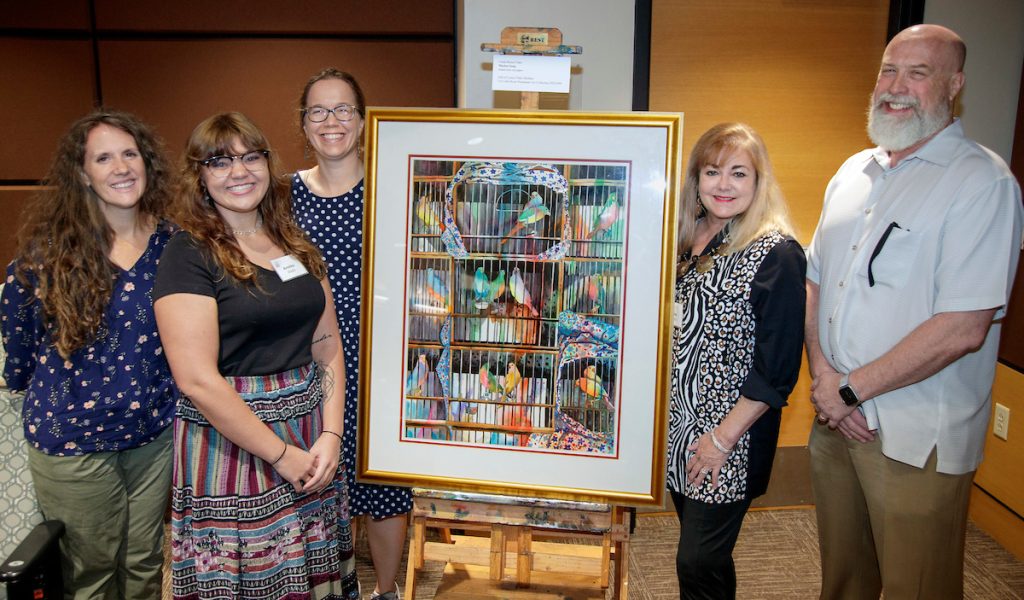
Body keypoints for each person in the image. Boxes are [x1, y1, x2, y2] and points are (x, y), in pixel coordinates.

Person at [806, 24, 1023, 599]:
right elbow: (815, 282)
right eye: (888, 70)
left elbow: (962, 327)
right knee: (843, 581)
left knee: (916, 587)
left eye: (918, 73)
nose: (895, 87)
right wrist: (827, 380)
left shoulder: (982, 183)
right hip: (836, 422)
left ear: (955, 85)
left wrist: (851, 388)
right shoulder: (853, 172)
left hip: (913, 439)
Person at [153, 112, 360, 599]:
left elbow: (327, 345)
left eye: (250, 157)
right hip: (236, 446)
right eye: (220, 161)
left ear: (268, 165)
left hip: (311, 434)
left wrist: (331, 435)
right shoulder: (187, 254)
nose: (239, 171)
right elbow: (197, 380)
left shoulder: (294, 243)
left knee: (310, 572)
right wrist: (280, 455)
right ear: (199, 177)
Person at [1, 110, 177, 599]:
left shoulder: (174, 245)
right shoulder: (48, 252)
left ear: (147, 162)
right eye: (103, 158)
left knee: (145, 561)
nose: (120, 167)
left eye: (129, 153)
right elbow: (18, 343)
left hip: (152, 433)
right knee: (91, 573)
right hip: (73, 438)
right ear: (82, 173)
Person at [668, 122, 806, 599]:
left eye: (738, 173)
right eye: (712, 172)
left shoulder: (777, 253)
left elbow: (778, 368)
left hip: (730, 436)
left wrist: (720, 441)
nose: (723, 185)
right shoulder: (685, 241)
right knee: (706, 558)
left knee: (697, 559)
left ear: (758, 181)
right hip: (677, 427)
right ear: (696, 180)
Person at [291, 68, 411, 600]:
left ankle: (386, 592)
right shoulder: (280, 196)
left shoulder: (396, 183)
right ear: (303, 124)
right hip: (308, 361)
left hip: (382, 359)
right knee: (317, 480)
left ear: (362, 121)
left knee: (384, 486)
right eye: (319, 111)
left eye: (343, 110)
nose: (331, 121)